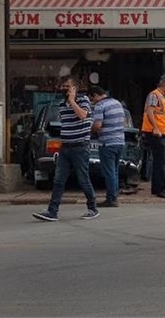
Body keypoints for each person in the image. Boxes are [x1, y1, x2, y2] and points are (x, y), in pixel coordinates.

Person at [32, 75, 99, 221]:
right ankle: (52, 211)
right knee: (58, 179)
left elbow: (82, 115)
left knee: (83, 179)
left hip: (80, 146)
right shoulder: (62, 104)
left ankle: (92, 207)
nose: (64, 89)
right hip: (66, 146)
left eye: (67, 86)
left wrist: (72, 100)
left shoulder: (83, 100)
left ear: (75, 88)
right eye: (62, 86)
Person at [88, 86, 126, 208]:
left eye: (92, 99)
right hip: (119, 141)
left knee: (108, 171)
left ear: (95, 95)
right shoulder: (117, 103)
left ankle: (111, 198)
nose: (92, 102)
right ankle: (114, 195)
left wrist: (91, 132)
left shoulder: (100, 106)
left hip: (107, 142)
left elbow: (97, 125)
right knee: (114, 170)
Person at [141, 74, 165, 199]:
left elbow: (164, 117)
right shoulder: (154, 95)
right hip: (155, 133)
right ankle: (162, 188)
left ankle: (157, 187)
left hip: (162, 133)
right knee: (161, 161)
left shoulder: (164, 98)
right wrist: (155, 128)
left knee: (160, 161)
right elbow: (149, 111)